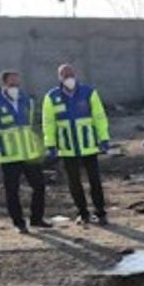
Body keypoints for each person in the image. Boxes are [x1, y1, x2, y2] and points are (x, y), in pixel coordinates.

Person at [0, 70, 49, 233]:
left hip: (29, 154)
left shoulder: (26, 101)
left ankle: (37, 219)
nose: (15, 87)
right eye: (12, 85)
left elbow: (29, 125)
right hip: (9, 156)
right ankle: (19, 223)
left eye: (17, 84)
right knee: (12, 191)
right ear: (3, 84)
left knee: (39, 186)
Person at [42, 63, 111, 225]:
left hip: (89, 145)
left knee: (95, 181)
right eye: (65, 75)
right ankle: (83, 213)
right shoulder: (52, 97)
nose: (69, 78)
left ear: (75, 74)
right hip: (67, 148)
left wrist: (104, 138)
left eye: (70, 74)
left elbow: (99, 117)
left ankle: (100, 212)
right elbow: (48, 122)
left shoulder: (88, 93)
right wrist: (50, 144)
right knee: (74, 183)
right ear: (59, 77)